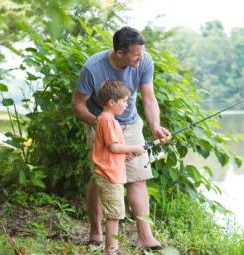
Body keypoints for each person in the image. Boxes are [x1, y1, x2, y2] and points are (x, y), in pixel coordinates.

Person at [71, 26, 171, 250]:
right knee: (103, 178)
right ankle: (96, 231)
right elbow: (78, 105)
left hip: (131, 123)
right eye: (136, 54)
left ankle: (145, 236)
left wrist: (155, 125)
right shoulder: (93, 68)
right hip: (101, 122)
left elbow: (149, 98)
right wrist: (100, 125)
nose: (141, 57)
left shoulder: (144, 61)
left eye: (141, 53)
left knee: (137, 176)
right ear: (120, 53)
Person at [92, 80, 145, 255]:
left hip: (111, 172)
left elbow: (114, 149)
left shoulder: (109, 120)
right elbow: (114, 147)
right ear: (111, 102)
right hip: (109, 174)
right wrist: (135, 148)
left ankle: (111, 249)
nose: (127, 104)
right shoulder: (107, 121)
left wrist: (125, 154)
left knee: (115, 213)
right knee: (114, 214)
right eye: (124, 101)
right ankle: (110, 250)